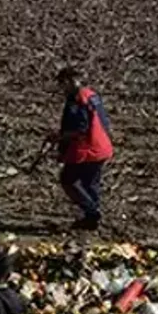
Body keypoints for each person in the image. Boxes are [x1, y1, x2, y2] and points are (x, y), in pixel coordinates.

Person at [49, 67, 113, 230]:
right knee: (90, 184)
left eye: (62, 83)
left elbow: (80, 129)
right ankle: (91, 220)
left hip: (88, 149)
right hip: (102, 147)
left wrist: (60, 137)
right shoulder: (92, 95)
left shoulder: (78, 100)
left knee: (68, 180)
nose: (61, 88)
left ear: (69, 81)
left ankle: (92, 212)